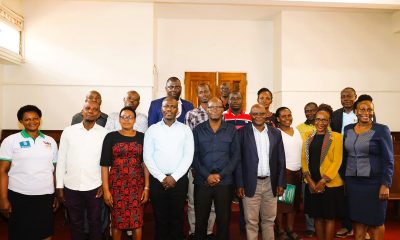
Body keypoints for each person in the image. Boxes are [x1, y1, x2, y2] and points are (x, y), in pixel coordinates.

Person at [0, 105, 58, 240]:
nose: (32, 121)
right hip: (19, 196)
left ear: (40, 119)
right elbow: (2, 170)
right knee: (20, 233)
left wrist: (56, 193)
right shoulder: (11, 141)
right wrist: (3, 198)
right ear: (21, 121)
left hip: (45, 196)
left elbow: (54, 171)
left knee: (45, 232)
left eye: (35, 118)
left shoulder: (50, 141)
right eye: (27, 119)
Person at [343, 94, 394, 240]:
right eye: (362, 109)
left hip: (374, 184)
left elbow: (389, 160)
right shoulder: (347, 129)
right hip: (353, 184)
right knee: (357, 223)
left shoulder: (381, 130)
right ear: (356, 111)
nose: (366, 113)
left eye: (369, 110)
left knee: (376, 223)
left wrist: (385, 184)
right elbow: (345, 156)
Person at [144, 97, 194, 240]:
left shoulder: (185, 130)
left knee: (177, 218)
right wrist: (161, 177)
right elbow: (148, 157)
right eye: (166, 106)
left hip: (179, 181)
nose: (169, 109)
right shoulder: (152, 130)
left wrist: (174, 177)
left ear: (177, 111)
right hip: (157, 181)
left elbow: (188, 156)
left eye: (173, 107)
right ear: (161, 109)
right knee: (160, 218)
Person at [56, 101, 108, 240]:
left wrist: (104, 184)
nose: (91, 111)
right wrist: (59, 187)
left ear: (99, 114)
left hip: (95, 186)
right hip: (71, 186)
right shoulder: (68, 131)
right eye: (88, 108)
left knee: (95, 222)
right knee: (75, 223)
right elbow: (61, 160)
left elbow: (107, 163)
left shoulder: (105, 134)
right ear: (82, 111)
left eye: (95, 109)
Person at [235, 103, 286, 240]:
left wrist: (281, 183)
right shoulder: (241, 133)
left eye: (261, 113)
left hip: (271, 183)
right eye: (255, 114)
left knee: (269, 221)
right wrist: (239, 184)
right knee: (251, 222)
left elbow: (281, 160)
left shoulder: (276, 133)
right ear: (250, 116)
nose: (258, 116)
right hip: (250, 183)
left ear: (267, 115)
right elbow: (238, 161)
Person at [193, 97, 241, 240]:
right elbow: (194, 156)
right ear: (207, 109)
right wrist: (207, 175)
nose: (214, 110)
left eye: (218, 107)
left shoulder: (232, 130)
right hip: (203, 181)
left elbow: (236, 156)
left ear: (223, 110)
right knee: (200, 220)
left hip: (224, 182)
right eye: (211, 107)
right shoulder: (198, 130)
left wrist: (220, 175)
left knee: (223, 220)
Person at [101, 106, 150, 240]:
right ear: (119, 119)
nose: (126, 120)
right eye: (123, 117)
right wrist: (106, 190)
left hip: (137, 185)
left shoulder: (142, 137)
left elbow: (146, 164)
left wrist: (146, 187)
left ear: (135, 120)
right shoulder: (110, 137)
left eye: (130, 117)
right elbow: (105, 165)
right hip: (117, 186)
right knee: (117, 221)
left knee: (137, 221)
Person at [331, 87, 374, 239]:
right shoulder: (335, 115)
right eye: (343, 96)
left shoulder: (363, 112)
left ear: (355, 97)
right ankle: (347, 225)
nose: (346, 99)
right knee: (346, 194)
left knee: (363, 194)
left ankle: (365, 227)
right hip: (341, 159)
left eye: (349, 96)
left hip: (362, 159)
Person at [302, 104, 345, 240]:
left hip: (329, 185)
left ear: (329, 121)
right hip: (312, 184)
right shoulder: (308, 137)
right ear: (314, 120)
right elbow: (303, 159)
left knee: (329, 218)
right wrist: (310, 181)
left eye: (324, 120)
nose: (320, 122)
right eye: (318, 119)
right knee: (317, 217)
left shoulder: (337, 137)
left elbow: (337, 161)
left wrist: (322, 181)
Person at [184, 83, 216, 240]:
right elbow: (187, 140)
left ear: (210, 93)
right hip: (196, 164)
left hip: (214, 164)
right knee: (192, 200)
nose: (204, 93)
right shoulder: (191, 114)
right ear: (197, 94)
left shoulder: (217, 112)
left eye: (206, 91)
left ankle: (209, 231)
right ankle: (194, 231)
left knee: (213, 203)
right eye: (200, 91)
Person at [275, 107, 303, 240]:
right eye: (284, 116)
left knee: (293, 204)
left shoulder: (296, 130)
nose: (287, 118)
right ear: (278, 119)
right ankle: (280, 231)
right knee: (282, 204)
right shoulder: (276, 133)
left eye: (289, 115)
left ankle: (290, 229)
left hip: (298, 173)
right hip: (285, 172)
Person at [296, 102, 318, 238]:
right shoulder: (299, 128)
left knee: (321, 200)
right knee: (308, 200)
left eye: (312, 110)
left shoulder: (325, 125)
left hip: (322, 170)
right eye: (306, 111)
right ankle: (310, 227)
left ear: (317, 111)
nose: (309, 113)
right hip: (306, 170)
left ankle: (320, 224)